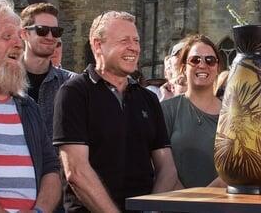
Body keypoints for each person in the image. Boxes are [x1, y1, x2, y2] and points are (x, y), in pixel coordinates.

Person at [53, 11, 178, 212]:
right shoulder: (74, 93)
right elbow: (76, 171)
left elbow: (167, 168)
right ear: (97, 45)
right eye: (124, 40)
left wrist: (150, 209)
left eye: (136, 40)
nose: (134, 47)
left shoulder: (148, 98)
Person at [0, 0, 61, 213]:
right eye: (7, 36)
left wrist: (40, 210)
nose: (18, 43)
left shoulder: (26, 106)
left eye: (19, 36)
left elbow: (51, 169)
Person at [161, 34, 225, 188]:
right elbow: (161, 167)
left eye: (210, 60)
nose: (202, 65)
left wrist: (201, 202)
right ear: (183, 67)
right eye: (195, 60)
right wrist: (185, 203)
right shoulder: (167, 110)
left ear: (217, 68)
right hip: (175, 203)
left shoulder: (232, 115)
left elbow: (236, 170)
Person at [20, 3, 75, 141]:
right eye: (42, 30)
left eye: (56, 31)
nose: (50, 37)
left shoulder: (72, 84)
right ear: (25, 34)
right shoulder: (2, 80)